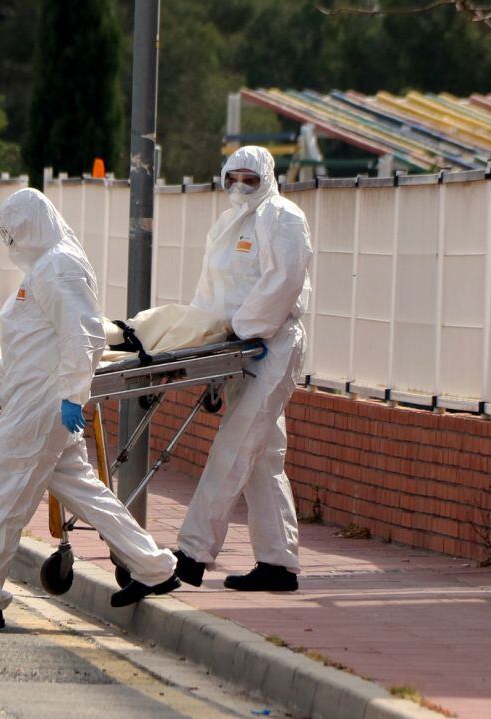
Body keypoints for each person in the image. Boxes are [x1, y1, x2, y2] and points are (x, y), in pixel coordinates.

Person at [0, 188, 179, 631]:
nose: (10, 241)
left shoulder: (59, 268)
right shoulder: (43, 269)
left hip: (41, 408)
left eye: (15, 231)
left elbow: (83, 336)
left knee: (0, 498)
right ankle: (155, 567)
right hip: (36, 400)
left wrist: (72, 395)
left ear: (36, 226)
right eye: (5, 233)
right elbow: (30, 343)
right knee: (85, 493)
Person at [173, 145, 312, 592]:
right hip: (235, 349)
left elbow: (284, 282)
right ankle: (278, 563)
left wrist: (242, 329)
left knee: (233, 448)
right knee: (261, 458)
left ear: (267, 177)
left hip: (269, 345)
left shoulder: (282, 217)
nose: (239, 187)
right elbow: (209, 291)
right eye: (231, 178)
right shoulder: (227, 225)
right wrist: (200, 343)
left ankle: (192, 554)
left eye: (249, 179)